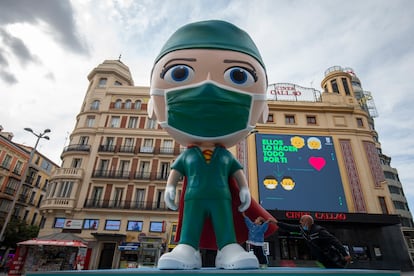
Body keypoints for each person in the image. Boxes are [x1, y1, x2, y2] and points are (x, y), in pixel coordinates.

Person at [149, 20, 277, 270]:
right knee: (190, 224)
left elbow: (237, 173)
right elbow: (175, 173)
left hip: (221, 197)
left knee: (224, 222)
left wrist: (244, 190)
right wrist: (170, 188)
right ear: (151, 106)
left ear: (264, 110)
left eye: (239, 75)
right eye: (179, 73)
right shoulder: (188, 157)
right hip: (194, 197)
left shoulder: (224, 156)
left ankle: (228, 248)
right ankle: (188, 247)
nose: (208, 87)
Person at [276, 215, 352, 268]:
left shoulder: (319, 230)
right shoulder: (302, 229)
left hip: (333, 257)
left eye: (302, 220)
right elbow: (289, 227)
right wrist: (276, 222)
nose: (300, 222)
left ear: (307, 222)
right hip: (321, 258)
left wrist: (345, 254)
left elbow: (334, 241)